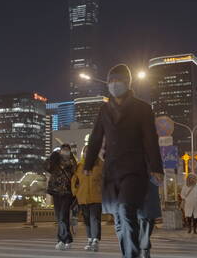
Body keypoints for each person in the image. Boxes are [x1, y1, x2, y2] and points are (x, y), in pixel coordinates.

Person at [83, 64, 164, 258]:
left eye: (117, 81)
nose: (113, 85)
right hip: (111, 170)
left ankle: (133, 255)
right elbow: (95, 137)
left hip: (135, 169)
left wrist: (156, 167)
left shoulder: (142, 109)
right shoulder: (104, 109)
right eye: (110, 81)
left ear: (127, 83)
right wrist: (88, 164)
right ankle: (128, 252)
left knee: (125, 208)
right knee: (119, 218)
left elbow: (150, 139)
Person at [44, 144, 77, 251]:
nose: (65, 152)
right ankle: (65, 240)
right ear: (61, 151)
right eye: (63, 150)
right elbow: (46, 168)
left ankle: (63, 240)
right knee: (60, 218)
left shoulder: (73, 162)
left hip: (68, 193)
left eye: (67, 150)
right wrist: (51, 157)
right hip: (56, 192)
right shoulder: (55, 160)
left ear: (69, 151)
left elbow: (76, 176)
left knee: (63, 216)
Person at [71, 145, 103, 252]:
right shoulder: (80, 166)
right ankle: (90, 239)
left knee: (95, 219)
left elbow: (107, 179)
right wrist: (76, 192)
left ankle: (95, 241)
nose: (87, 153)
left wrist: (102, 190)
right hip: (83, 198)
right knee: (87, 220)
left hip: (96, 197)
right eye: (85, 151)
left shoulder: (100, 164)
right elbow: (74, 181)